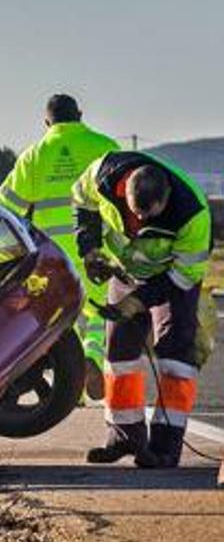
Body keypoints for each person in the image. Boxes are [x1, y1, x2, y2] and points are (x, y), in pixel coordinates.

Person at [73, 153, 214, 468]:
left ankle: (165, 448)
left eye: (152, 216)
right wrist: (91, 248)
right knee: (119, 354)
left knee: (175, 356)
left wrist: (137, 302)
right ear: (125, 191)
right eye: (138, 215)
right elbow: (81, 198)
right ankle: (124, 436)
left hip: (172, 279)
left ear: (165, 199)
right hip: (127, 270)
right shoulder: (103, 175)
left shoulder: (192, 214)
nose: (143, 224)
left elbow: (183, 276)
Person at [0, 94, 119, 398]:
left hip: (55, 254)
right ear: (80, 115)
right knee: (101, 309)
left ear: (47, 122)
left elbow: (5, 206)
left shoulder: (34, 156)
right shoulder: (105, 147)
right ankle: (94, 358)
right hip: (97, 247)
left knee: (66, 317)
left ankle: (71, 385)